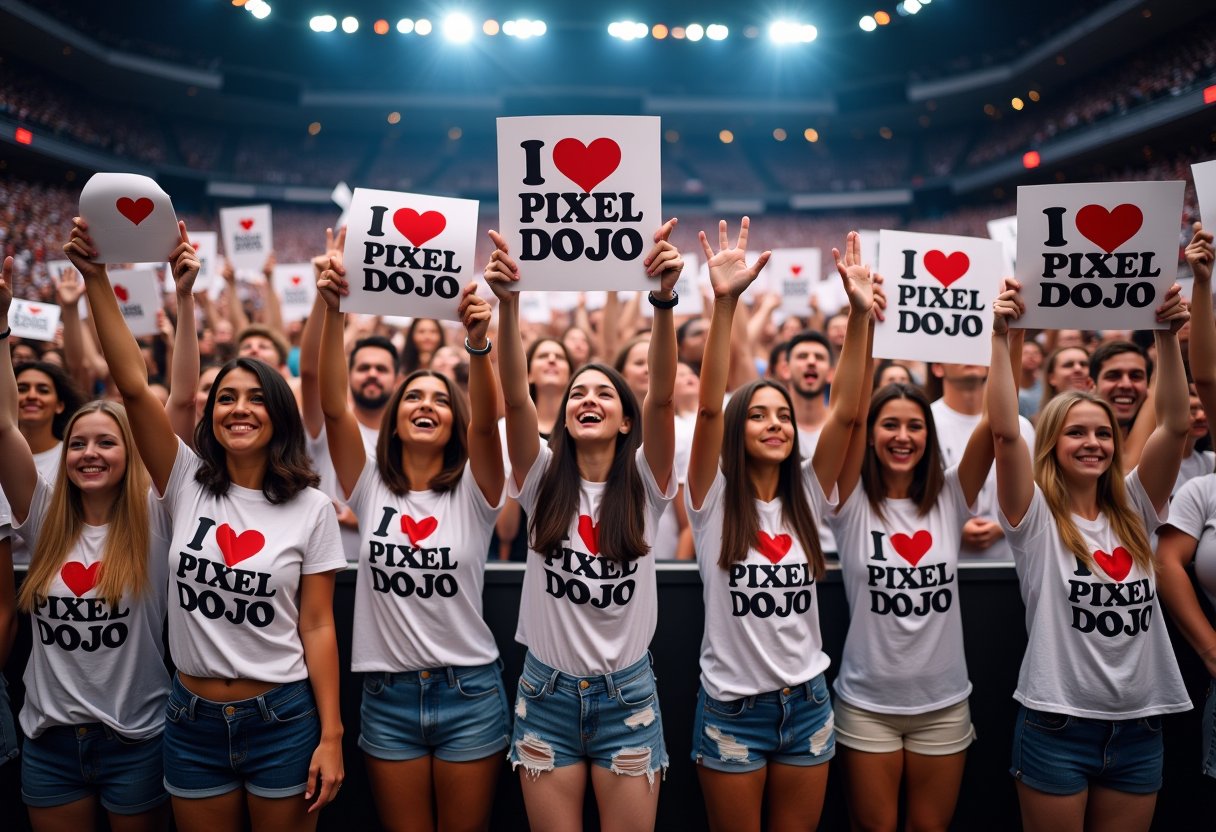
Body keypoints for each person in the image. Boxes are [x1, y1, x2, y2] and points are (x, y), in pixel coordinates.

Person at [66, 218, 346, 832]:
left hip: (283, 719)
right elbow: (136, 390)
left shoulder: (313, 508)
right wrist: (96, 282)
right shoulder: (185, 482)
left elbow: (319, 625)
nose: (238, 409)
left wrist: (331, 734)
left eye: (254, 398)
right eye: (225, 398)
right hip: (189, 721)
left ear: (279, 413)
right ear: (209, 414)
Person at [485, 219, 682, 830]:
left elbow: (665, 398)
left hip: (629, 697)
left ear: (626, 420)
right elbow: (517, 400)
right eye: (576, 393)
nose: (586, 398)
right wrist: (508, 308)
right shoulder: (541, 479)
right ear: (564, 417)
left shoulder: (648, 483)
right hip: (546, 695)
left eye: (603, 392)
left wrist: (663, 303)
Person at [683, 225, 877, 830]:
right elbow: (711, 404)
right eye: (759, 415)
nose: (775, 424)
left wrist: (862, 316)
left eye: (784, 416)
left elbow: (848, 409)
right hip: (732, 709)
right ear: (736, 430)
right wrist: (724, 305)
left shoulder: (808, 496)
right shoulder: (709, 499)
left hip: (810, 703)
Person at [988, 279, 1191, 831]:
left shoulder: (1136, 507)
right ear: (1051, 442)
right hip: (1056, 727)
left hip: (1140, 728)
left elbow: (1174, 425)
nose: (1093, 443)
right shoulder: (1033, 517)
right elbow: (1005, 434)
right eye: (1076, 432)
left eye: (1103, 433)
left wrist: (1166, 337)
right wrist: (1005, 337)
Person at [316, 253, 508, 831]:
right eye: (414, 398)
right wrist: (333, 314)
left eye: (441, 400)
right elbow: (332, 407)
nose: (427, 405)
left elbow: (488, 424)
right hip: (388, 698)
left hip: (469, 692)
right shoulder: (369, 485)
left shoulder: (478, 489)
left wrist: (478, 347)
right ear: (394, 419)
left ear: (455, 422)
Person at [1, 254, 172, 831]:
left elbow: (148, 393)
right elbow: (4, 426)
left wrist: (98, 283)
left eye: (106, 443)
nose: (90, 453)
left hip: (136, 742)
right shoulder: (44, 512)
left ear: (131, 455)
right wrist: (2, 330)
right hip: (49, 743)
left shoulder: (157, 519)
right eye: (78, 444)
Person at [824, 286, 997, 831]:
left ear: (931, 435)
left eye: (915, 425)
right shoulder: (848, 501)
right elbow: (846, 412)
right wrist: (862, 325)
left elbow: (998, 426)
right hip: (866, 705)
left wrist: (1003, 337)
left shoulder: (950, 496)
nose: (903, 436)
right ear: (871, 435)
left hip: (945, 704)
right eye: (890, 425)